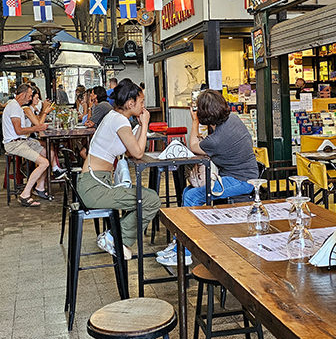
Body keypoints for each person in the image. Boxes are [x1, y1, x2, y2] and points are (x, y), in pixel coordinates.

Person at [157, 90, 259, 266]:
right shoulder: (232, 119)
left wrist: (194, 121)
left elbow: (194, 145)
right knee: (189, 191)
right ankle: (180, 242)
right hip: (239, 175)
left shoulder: (217, 139)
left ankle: (185, 253)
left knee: (191, 196)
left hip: (242, 181)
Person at [77, 79, 160, 259]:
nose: (144, 106)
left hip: (94, 183)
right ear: (131, 103)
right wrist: (145, 124)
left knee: (143, 197)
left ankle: (116, 236)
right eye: (142, 102)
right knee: (150, 200)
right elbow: (138, 153)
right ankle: (114, 237)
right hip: (95, 189)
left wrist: (139, 124)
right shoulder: (119, 121)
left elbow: (131, 152)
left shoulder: (115, 118)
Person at [2, 83, 50, 207]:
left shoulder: (17, 106)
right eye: (29, 96)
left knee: (47, 153)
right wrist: (37, 128)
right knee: (44, 162)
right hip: (14, 144)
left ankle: (39, 187)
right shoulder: (14, 107)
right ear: (22, 94)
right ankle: (25, 195)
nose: (30, 98)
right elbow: (18, 130)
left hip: (22, 141)